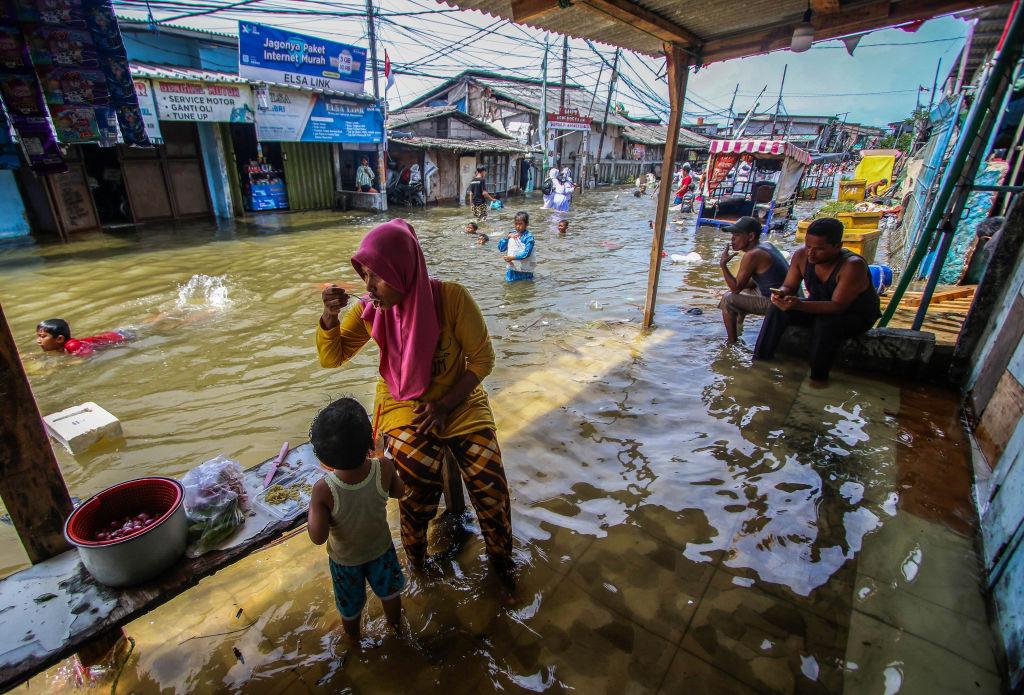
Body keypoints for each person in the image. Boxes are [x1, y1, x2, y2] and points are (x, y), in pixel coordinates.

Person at [317, 220, 515, 593]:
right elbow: (334, 356)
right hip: (401, 399)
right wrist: (329, 317)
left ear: (405, 271)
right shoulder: (371, 310)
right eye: (366, 276)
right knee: (413, 474)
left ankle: (502, 560)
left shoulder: (452, 298)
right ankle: (417, 560)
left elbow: (482, 361)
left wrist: (444, 404)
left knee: (489, 476)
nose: (369, 287)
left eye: (379, 276)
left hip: (460, 396)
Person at [307, 397, 407, 642]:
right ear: (369, 442)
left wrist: (313, 506)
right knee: (390, 592)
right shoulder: (383, 467)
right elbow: (399, 492)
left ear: (324, 459)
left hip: (345, 562)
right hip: (381, 550)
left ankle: (354, 641)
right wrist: (382, 456)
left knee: (349, 606)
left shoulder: (323, 489)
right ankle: (396, 628)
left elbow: (317, 537)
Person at [754, 218, 881, 383]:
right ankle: (760, 360)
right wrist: (780, 295)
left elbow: (838, 307)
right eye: (808, 246)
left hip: (852, 314)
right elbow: (789, 286)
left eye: (819, 249)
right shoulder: (801, 256)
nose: (810, 253)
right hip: (818, 306)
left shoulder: (852, 265)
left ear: (837, 246)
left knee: (826, 323)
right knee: (776, 309)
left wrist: (799, 304)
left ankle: (818, 378)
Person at [717, 216, 790, 344]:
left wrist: (723, 265)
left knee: (728, 299)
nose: (732, 239)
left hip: (777, 303)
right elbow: (750, 282)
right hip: (784, 296)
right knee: (741, 293)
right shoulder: (766, 245)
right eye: (732, 235)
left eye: (737, 235)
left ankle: (732, 342)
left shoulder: (752, 255)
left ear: (751, 237)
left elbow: (735, 288)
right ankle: (738, 330)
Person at [36, 318, 129, 357]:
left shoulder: (72, 345)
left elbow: (88, 355)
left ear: (59, 339)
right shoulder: (59, 347)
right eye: (38, 337)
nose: (38, 341)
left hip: (122, 336)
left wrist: (68, 363)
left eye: (43, 337)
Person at [497, 211, 536, 282]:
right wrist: (507, 237)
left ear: (526, 224)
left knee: (524, 289)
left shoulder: (528, 237)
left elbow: (527, 254)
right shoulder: (512, 234)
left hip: (525, 271)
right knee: (509, 289)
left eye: (520, 224)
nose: (518, 226)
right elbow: (501, 248)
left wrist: (512, 258)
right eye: (516, 224)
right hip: (512, 269)